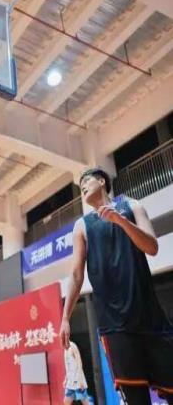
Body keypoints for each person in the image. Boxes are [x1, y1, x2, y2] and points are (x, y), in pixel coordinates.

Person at [60, 167, 173, 405]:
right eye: (79, 185)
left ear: (102, 181)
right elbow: (76, 275)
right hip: (115, 327)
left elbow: (152, 247)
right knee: (136, 400)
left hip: (151, 319)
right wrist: (65, 318)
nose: (82, 186)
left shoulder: (132, 206)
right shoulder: (82, 225)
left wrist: (120, 221)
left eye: (86, 180)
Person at [64, 340, 90, 405]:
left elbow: (79, 363)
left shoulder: (73, 346)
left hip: (78, 380)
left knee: (85, 402)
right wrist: (66, 379)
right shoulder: (65, 349)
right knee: (66, 402)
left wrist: (81, 380)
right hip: (70, 382)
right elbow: (68, 367)